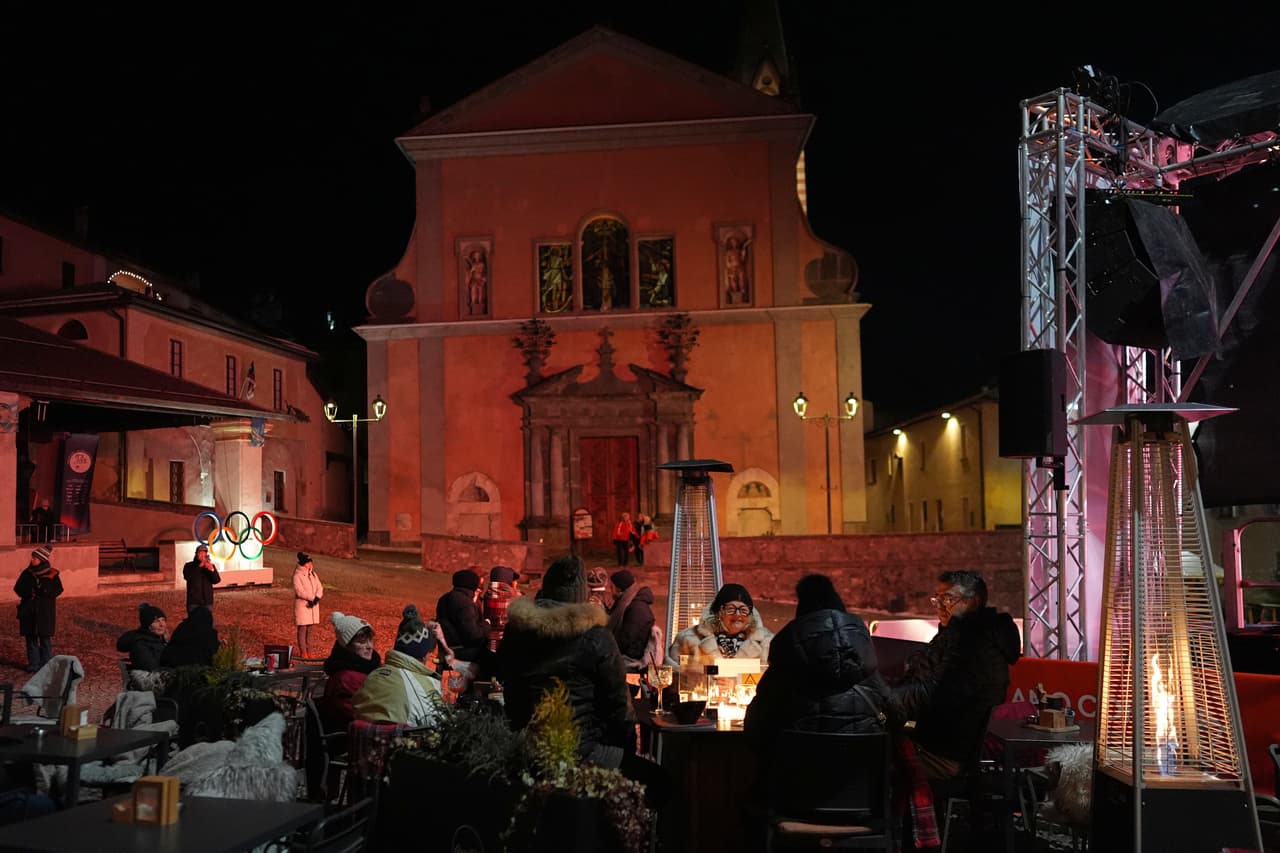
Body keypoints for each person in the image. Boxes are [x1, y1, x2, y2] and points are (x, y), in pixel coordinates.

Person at [496, 554, 669, 806]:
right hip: (582, 753)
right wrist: (625, 752)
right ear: (580, 595)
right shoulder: (595, 636)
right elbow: (618, 706)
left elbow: (505, 678)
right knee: (662, 783)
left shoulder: (516, 631)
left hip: (524, 748)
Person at [890, 570, 1022, 780]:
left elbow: (935, 696)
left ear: (974, 602)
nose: (941, 606)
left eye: (949, 598)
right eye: (938, 599)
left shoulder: (974, 646)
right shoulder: (955, 636)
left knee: (864, 755)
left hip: (944, 753)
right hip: (936, 741)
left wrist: (886, 705)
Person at [744, 574, 889, 747]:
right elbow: (897, 717)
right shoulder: (867, 669)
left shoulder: (785, 668)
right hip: (861, 770)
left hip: (796, 769)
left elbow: (755, 728)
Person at [352, 605, 445, 728]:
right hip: (403, 744)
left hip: (363, 744)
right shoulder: (423, 686)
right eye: (428, 653)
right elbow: (437, 725)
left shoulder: (372, 677)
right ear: (423, 656)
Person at [669, 583, 773, 666]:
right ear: (719, 612)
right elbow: (670, 676)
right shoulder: (688, 639)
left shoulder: (767, 642)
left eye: (743, 610)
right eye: (731, 609)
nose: (737, 615)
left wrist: (736, 681)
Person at [319, 612, 381, 732]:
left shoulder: (369, 669)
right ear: (347, 646)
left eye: (370, 640)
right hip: (353, 740)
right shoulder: (345, 679)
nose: (369, 646)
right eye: (362, 641)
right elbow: (357, 716)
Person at [14, 546, 63, 673]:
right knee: (31, 639)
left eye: (35, 558)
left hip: (44, 612)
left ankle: (46, 664)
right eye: (33, 557)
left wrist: (44, 591)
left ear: (41, 560)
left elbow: (58, 590)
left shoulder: (51, 574)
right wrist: (29, 591)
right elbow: (18, 588)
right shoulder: (27, 573)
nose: (32, 559)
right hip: (29, 611)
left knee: (45, 639)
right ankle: (33, 664)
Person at [435, 568, 487, 667]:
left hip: (449, 646)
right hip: (460, 650)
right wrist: (487, 625)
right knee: (492, 654)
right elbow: (473, 636)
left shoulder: (444, 598)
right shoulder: (465, 603)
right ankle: (476, 681)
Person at [606, 569, 655, 668]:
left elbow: (627, 640)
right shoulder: (626, 602)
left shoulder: (637, 608)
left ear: (619, 589)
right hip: (625, 652)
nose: (610, 591)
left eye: (612, 587)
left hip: (631, 657)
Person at [116, 602, 169, 686]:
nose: (161, 624)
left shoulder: (161, 640)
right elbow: (151, 667)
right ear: (147, 625)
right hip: (152, 682)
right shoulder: (140, 644)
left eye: (163, 620)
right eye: (156, 621)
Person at [293, 552, 324, 658]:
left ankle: (309, 651)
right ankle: (303, 651)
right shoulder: (297, 575)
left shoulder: (313, 574)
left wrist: (317, 597)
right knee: (303, 629)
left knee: (311, 629)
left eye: (311, 562)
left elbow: (320, 587)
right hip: (303, 606)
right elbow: (299, 591)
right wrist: (312, 598)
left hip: (313, 606)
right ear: (304, 564)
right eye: (308, 563)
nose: (311, 565)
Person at [483, 565, 521, 652]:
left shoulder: (487, 595)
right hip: (507, 640)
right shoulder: (512, 596)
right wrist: (514, 590)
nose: (515, 583)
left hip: (489, 640)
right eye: (513, 580)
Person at [182, 544, 220, 616]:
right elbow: (188, 577)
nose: (202, 555)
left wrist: (211, 570)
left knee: (207, 624)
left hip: (207, 602)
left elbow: (216, 580)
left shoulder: (210, 565)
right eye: (200, 553)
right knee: (193, 623)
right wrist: (200, 566)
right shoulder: (189, 566)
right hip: (194, 602)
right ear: (196, 554)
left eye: (204, 553)